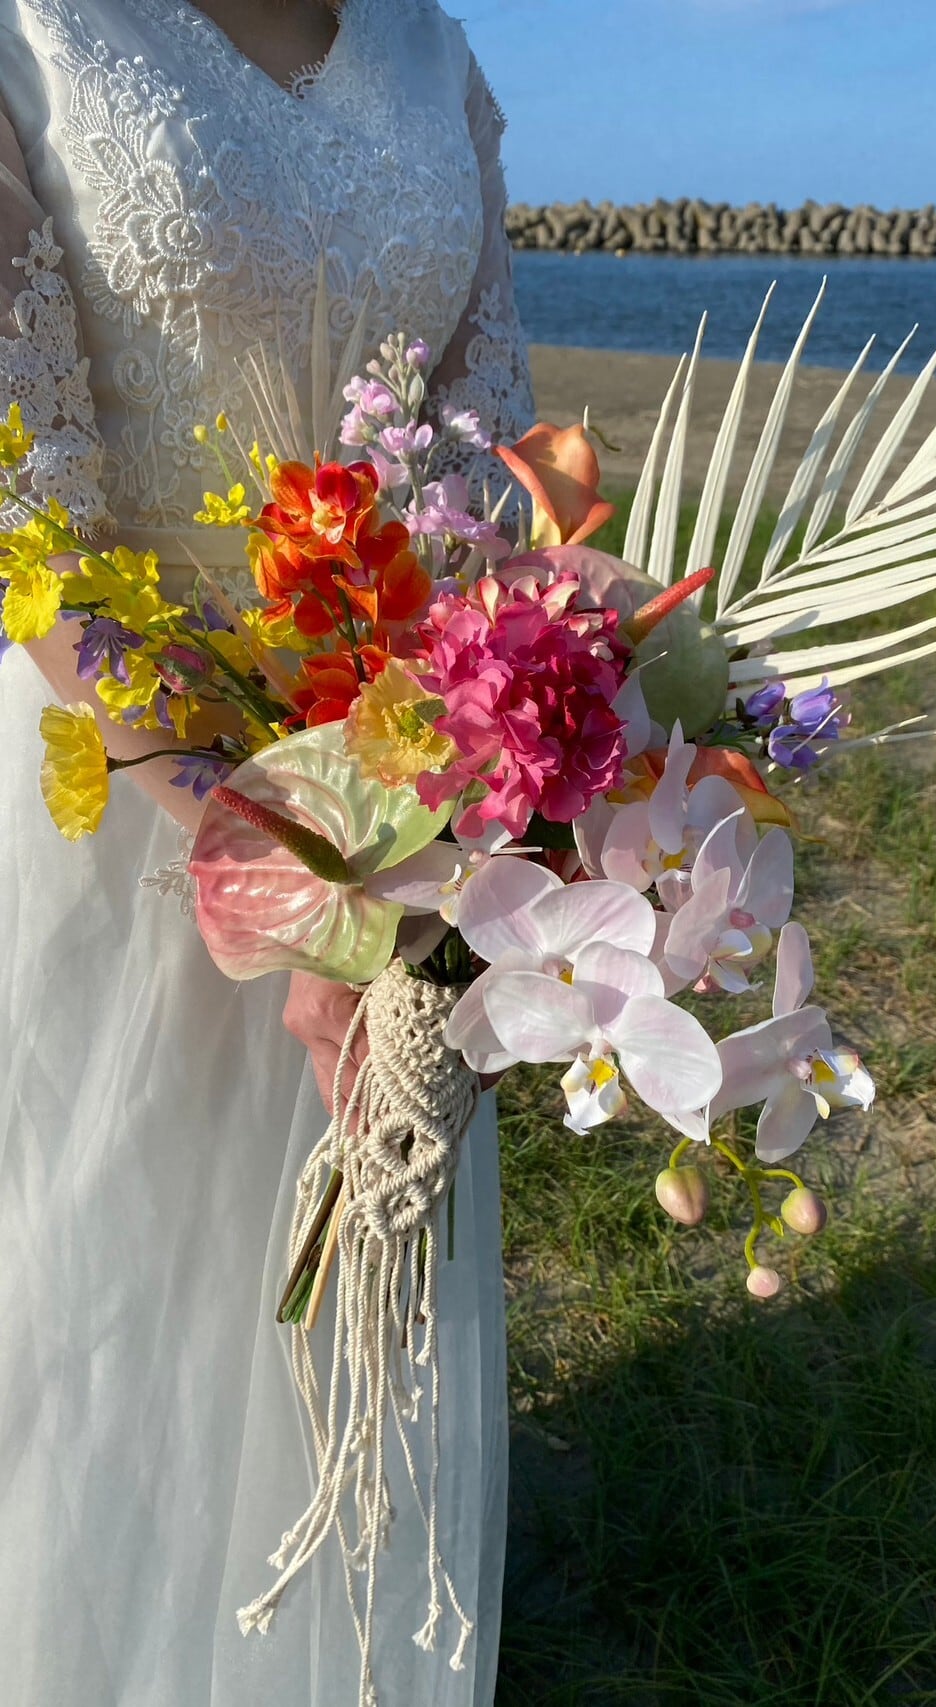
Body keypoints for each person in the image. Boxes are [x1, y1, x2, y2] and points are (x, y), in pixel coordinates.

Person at [0, 3, 534, 1703]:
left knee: (350, 1291)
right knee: (92, 1314)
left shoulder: (432, 52)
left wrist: (441, 806)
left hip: (394, 776)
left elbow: (489, 463)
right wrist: (291, 857)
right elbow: (25, 509)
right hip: (110, 786)